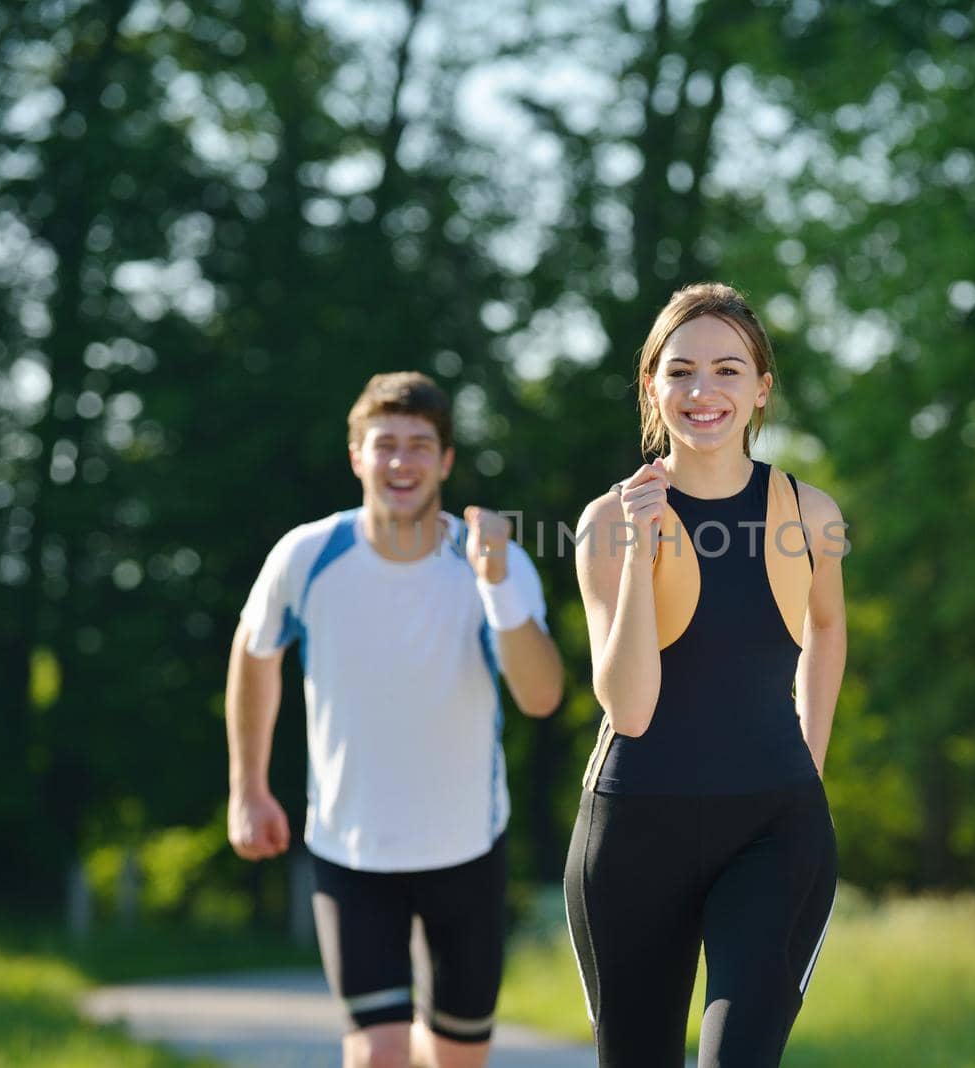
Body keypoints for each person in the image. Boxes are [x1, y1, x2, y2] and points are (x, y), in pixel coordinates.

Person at [225, 371, 564, 1068]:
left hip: (467, 848)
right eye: (384, 445)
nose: (401, 462)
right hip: (352, 850)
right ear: (357, 456)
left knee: (455, 1059)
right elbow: (254, 654)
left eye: (419, 445)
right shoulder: (308, 556)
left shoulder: (494, 563)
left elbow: (541, 696)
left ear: (444, 461)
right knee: (379, 1055)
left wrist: (496, 584)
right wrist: (249, 788)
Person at [564, 283, 847, 1067]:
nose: (703, 391)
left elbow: (826, 628)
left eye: (727, 370)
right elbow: (631, 708)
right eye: (680, 371)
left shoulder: (809, 513)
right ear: (652, 386)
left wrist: (808, 767)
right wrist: (638, 557)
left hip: (774, 831)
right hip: (632, 833)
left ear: (761, 388)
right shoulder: (607, 521)